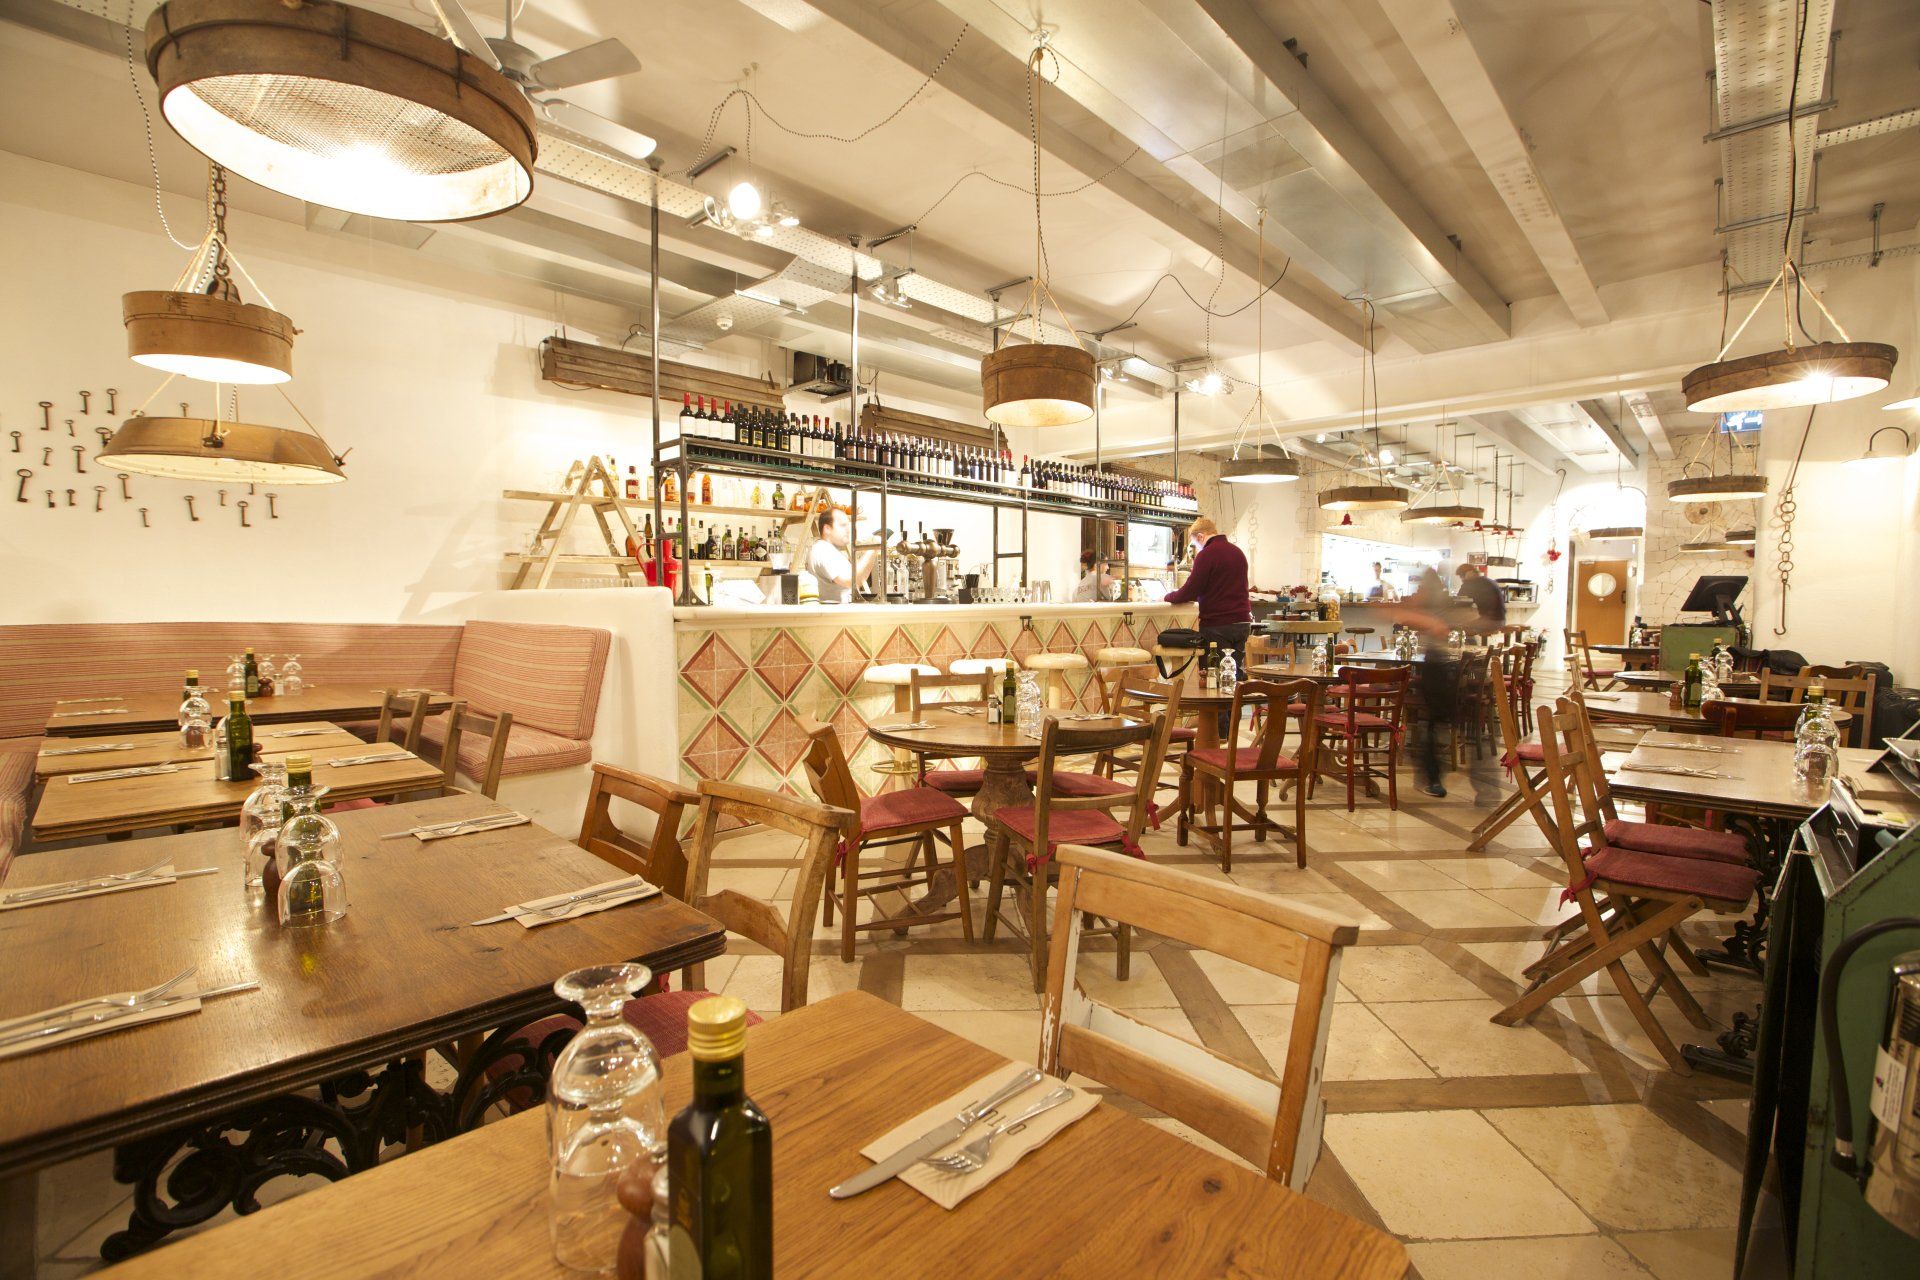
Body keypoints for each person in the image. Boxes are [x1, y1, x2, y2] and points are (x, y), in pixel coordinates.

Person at [1391, 568, 1499, 803]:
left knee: (1436, 722)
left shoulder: (1436, 601)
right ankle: (1434, 777)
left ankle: (1433, 776)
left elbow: (1402, 615)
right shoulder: (1440, 602)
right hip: (1441, 669)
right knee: (1440, 722)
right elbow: (1400, 615)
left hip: (1440, 667)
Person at [1165, 516, 1251, 734]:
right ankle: (1231, 727)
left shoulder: (1207, 555)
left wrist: (1168, 596)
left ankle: (1218, 731)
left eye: (1195, 543)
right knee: (1233, 677)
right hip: (1242, 623)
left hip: (1218, 623)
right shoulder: (1237, 552)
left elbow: (1191, 590)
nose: (1196, 548)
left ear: (1201, 536)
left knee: (1214, 676)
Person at [806, 506, 875, 604]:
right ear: (827, 529)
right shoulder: (823, 550)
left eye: (848, 525)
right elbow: (852, 581)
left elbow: (858, 579)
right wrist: (872, 549)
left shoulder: (830, 551)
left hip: (840, 614)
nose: (848, 530)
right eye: (843, 525)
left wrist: (872, 550)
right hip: (833, 616)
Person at [1454, 563, 1506, 634]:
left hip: (1491, 622)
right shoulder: (1486, 580)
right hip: (1501, 620)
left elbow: (1460, 601)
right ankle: (1471, 644)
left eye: (1462, 575)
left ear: (1470, 573)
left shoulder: (1471, 583)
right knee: (1466, 628)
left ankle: (1470, 644)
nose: (1462, 578)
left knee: (1461, 629)